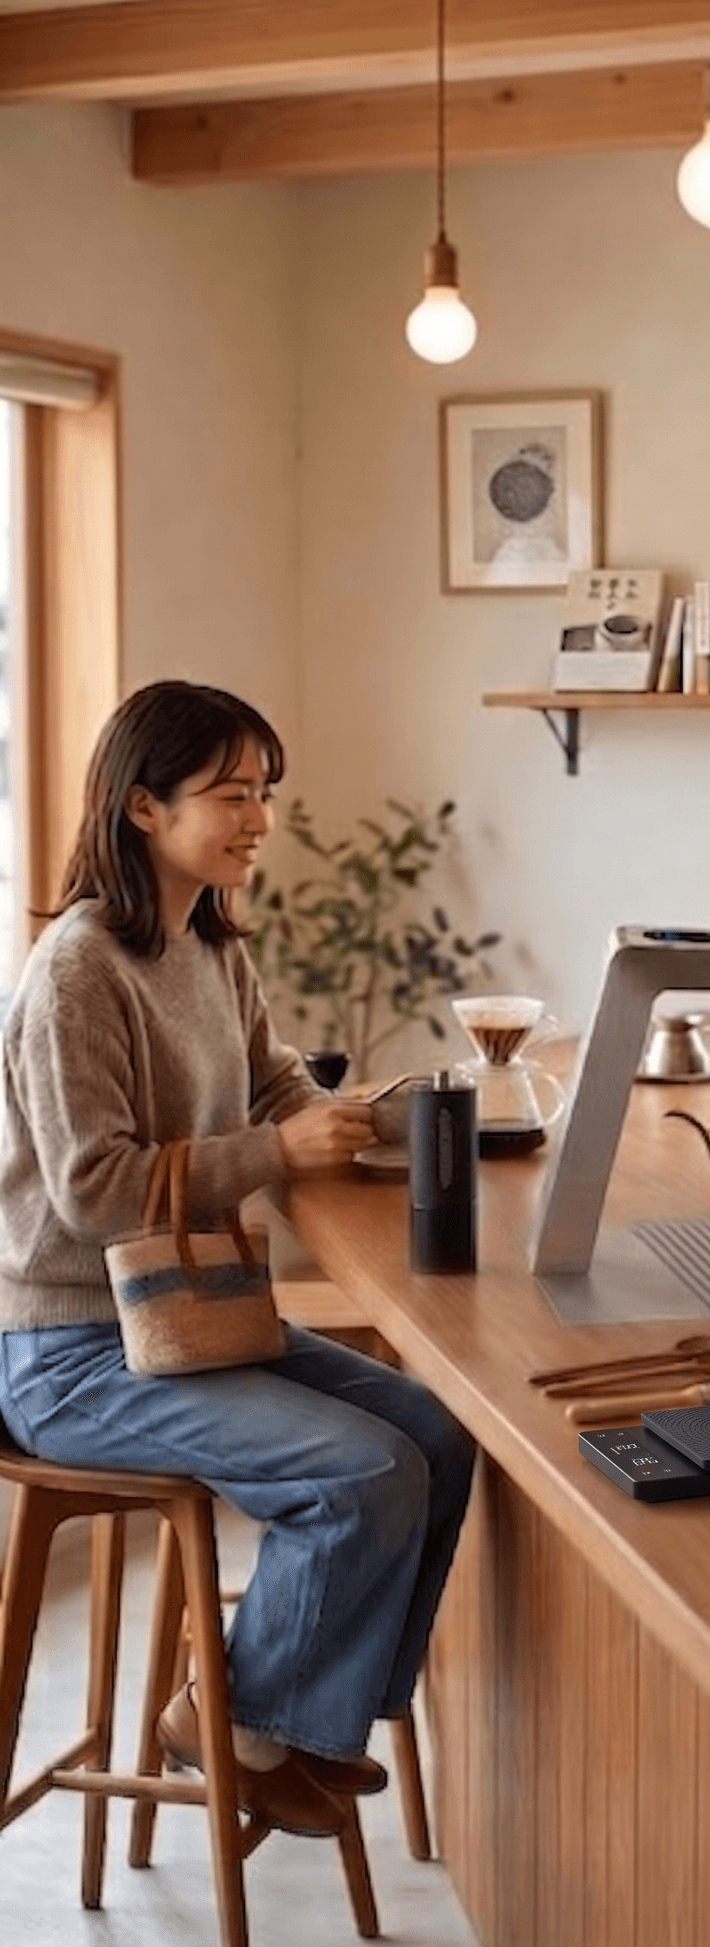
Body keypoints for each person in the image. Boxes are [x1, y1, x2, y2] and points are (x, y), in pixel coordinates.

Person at [0, 681, 476, 1837]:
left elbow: (272, 1081)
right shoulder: (80, 968)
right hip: (70, 1349)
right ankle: (236, 1720)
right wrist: (276, 1145)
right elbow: (95, 1186)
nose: (258, 817)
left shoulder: (208, 939)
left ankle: (305, 1727)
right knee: (361, 1473)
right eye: (230, 794)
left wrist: (341, 1117)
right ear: (144, 808)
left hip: (188, 1312)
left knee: (437, 1434)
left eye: (265, 789)